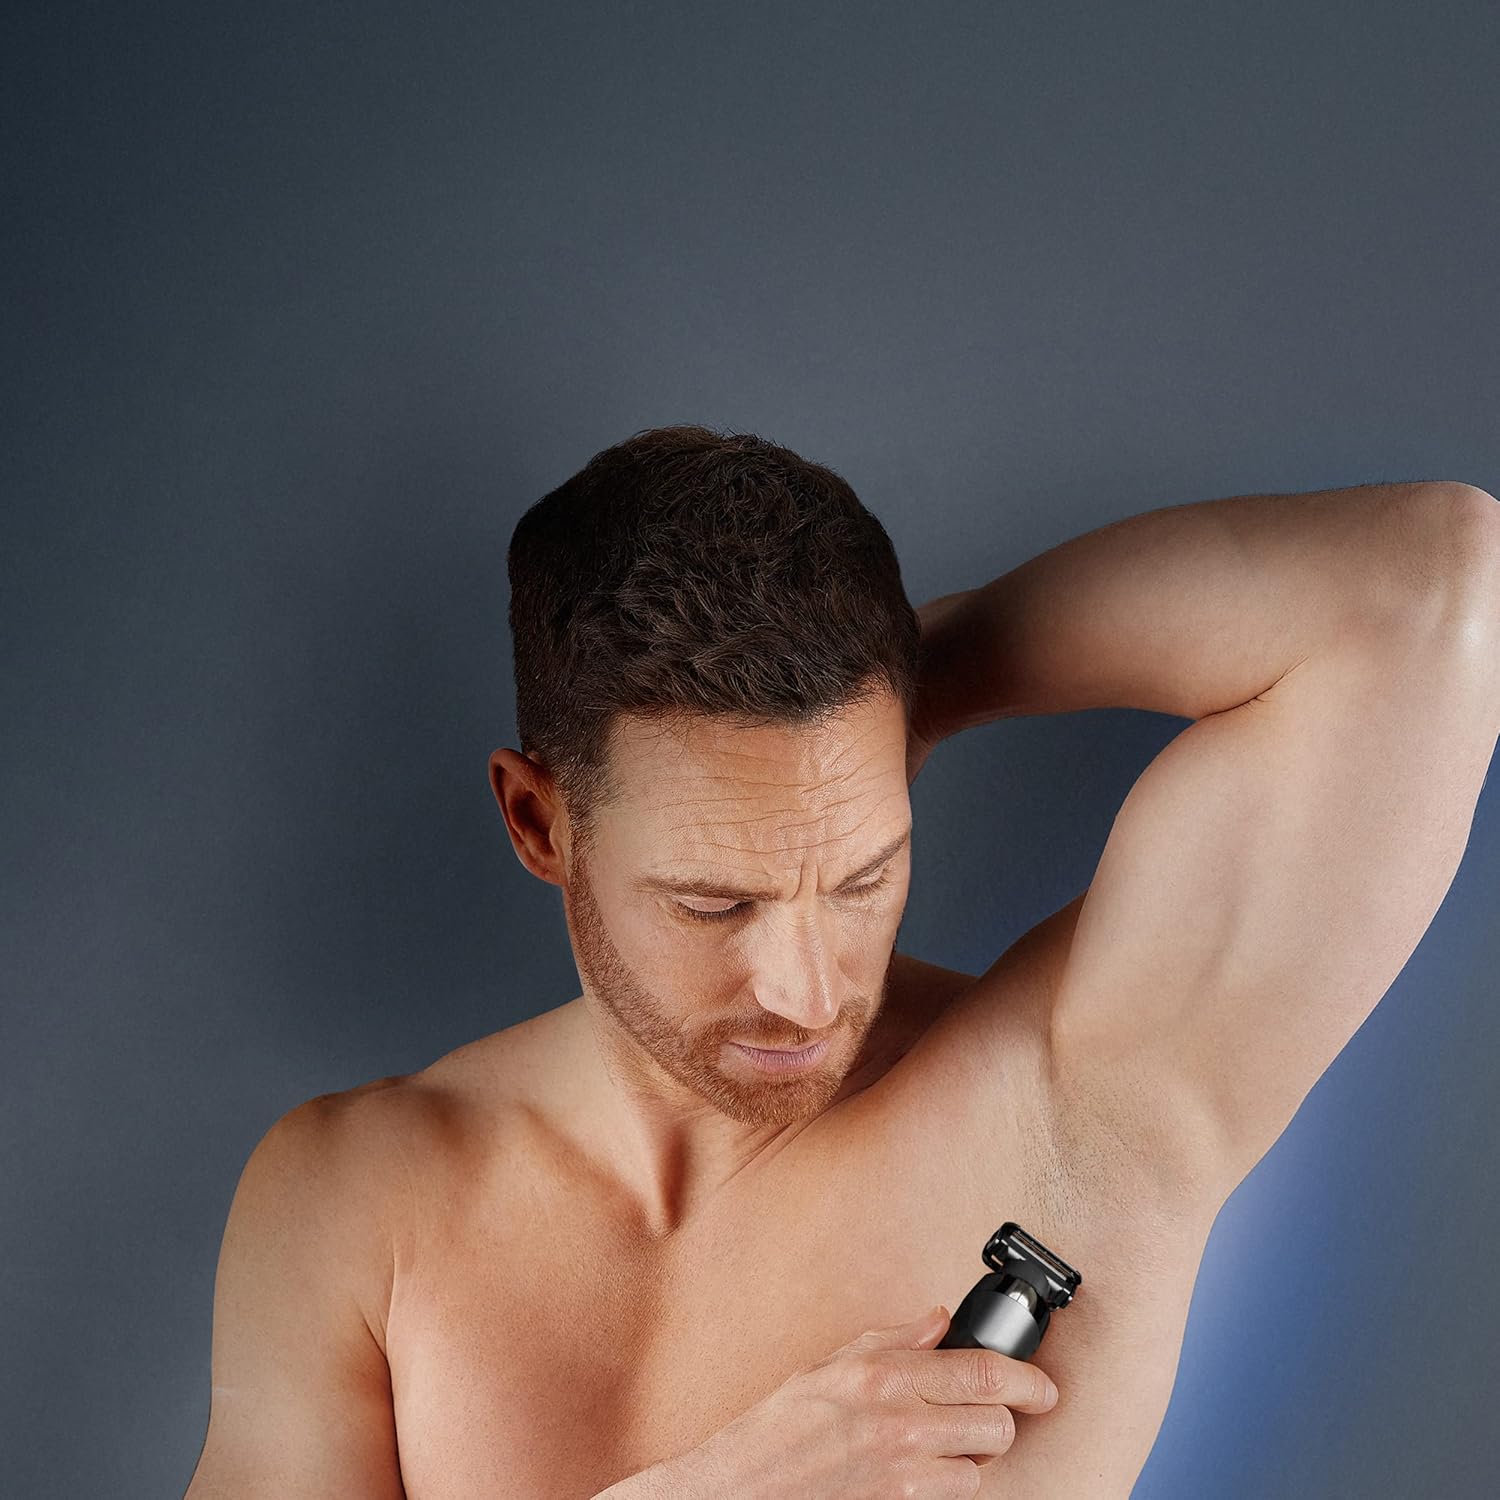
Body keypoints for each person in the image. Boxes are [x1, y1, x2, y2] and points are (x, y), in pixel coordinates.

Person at [184, 426, 1500, 1499]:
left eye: (863, 878)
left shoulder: (1073, 1103)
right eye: (717, 903)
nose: (811, 995)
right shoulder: (354, 1202)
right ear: (541, 824)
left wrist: (899, 683)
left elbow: (1435, 583)